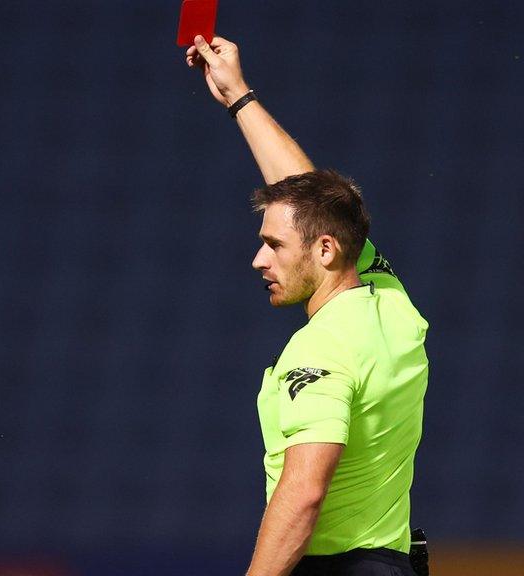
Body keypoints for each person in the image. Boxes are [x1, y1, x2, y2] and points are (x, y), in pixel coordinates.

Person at [186, 36, 428, 576]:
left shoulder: (320, 351)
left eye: (273, 245)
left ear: (325, 250)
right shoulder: (392, 304)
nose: (257, 260)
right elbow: (310, 200)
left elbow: (303, 496)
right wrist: (238, 96)